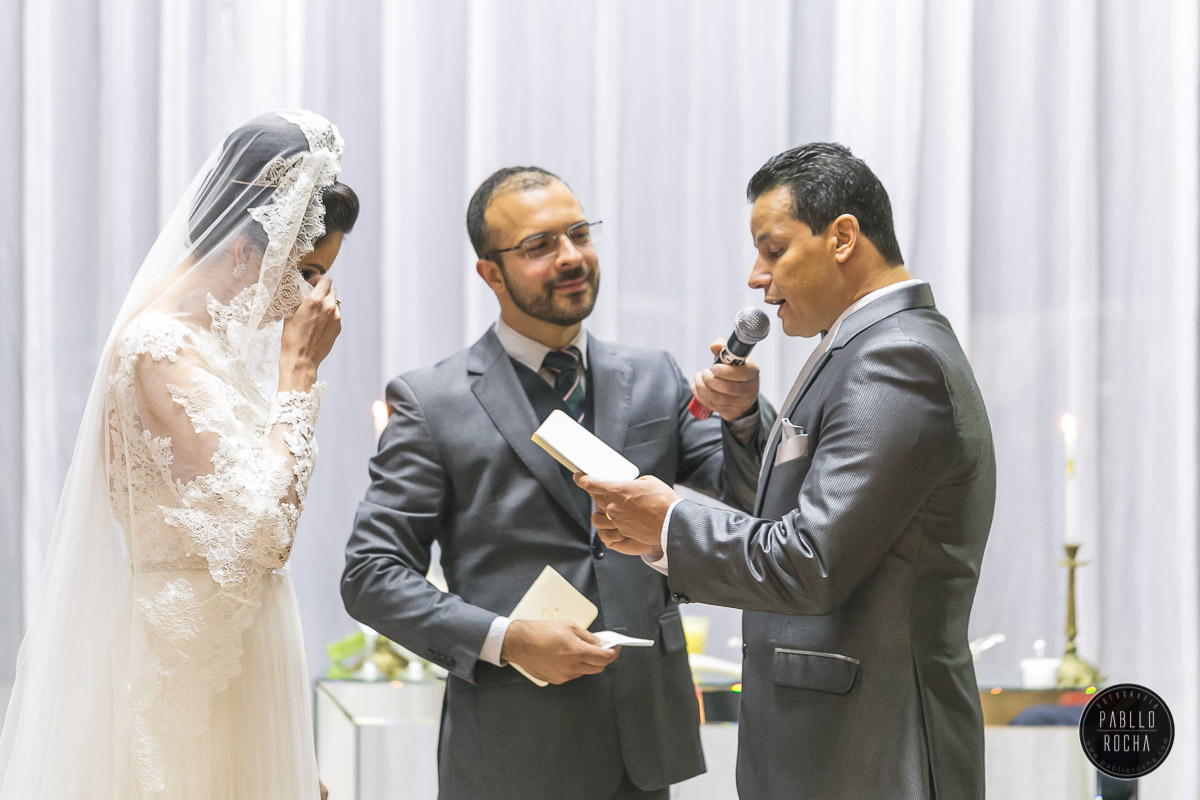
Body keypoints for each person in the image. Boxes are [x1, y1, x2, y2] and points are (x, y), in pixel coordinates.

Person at [577, 143, 997, 799]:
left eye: (773, 250)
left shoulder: (898, 358)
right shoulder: (863, 347)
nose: (755, 276)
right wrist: (746, 422)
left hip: (874, 754)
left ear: (843, 237)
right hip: (830, 748)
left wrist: (671, 523)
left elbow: (811, 561)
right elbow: (792, 518)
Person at [341, 166, 768, 800]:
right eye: (539, 246)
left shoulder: (654, 375)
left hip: (643, 743)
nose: (570, 258)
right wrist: (506, 640)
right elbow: (371, 573)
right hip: (514, 747)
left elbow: (752, 499)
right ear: (491, 273)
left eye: (578, 234)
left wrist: (744, 420)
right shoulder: (431, 402)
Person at [0, 111, 359, 800]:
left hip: (245, 655)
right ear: (247, 252)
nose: (310, 298)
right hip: (192, 670)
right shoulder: (158, 350)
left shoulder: (216, 350)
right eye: (307, 271)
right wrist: (300, 378)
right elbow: (264, 533)